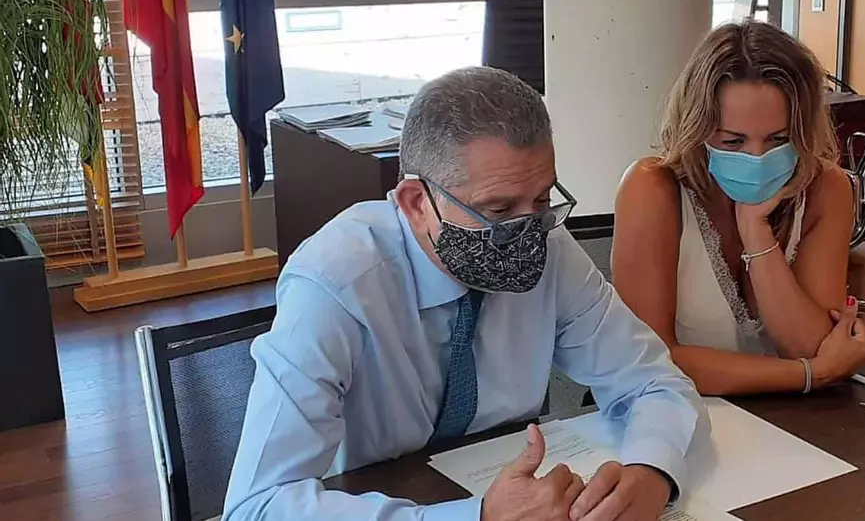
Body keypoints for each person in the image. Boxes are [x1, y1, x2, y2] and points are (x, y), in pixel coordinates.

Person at [224, 67, 706, 521]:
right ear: (417, 203)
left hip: (512, 477)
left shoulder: (549, 245)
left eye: (542, 200)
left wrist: (653, 471)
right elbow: (255, 507)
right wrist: (475, 517)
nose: (526, 231)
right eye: (497, 210)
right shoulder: (334, 282)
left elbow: (653, 382)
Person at [612, 20, 865, 397]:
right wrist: (809, 375)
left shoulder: (827, 187)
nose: (757, 157)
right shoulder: (650, 188)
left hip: (795, 418)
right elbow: (648, 360)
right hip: (679, 412)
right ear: (697, 130)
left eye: (779, 139)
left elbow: (810, 346)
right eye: (734, 142)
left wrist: (756, 232)